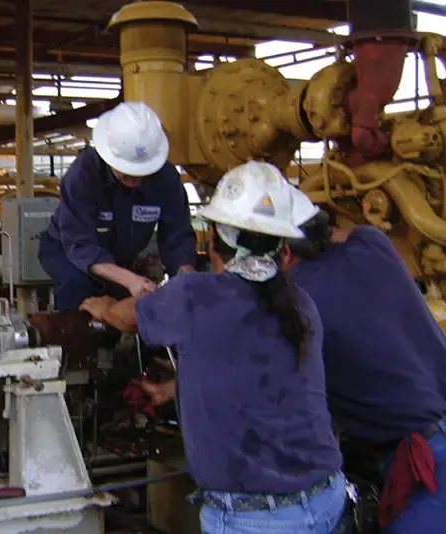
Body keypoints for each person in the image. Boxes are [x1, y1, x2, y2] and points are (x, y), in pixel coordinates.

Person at [80, 161, 350, 533]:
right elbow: (257, 375)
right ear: (283, 249)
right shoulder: (300, 304)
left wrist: (102, 308)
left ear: (210, 240)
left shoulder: (194, 295)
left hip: (252, 518)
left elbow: (130, 318)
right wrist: (169, 390)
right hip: (326, 501)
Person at [285, 190, 446, 533]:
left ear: (283, 253)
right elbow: (348, 234)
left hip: (430, 463)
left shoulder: (296, 302)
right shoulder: (373, 244)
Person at [38, 101, 197, 311]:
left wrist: (186, 278)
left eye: (141, 171)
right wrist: (130, 280)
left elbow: (177, 236)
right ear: (108, 154)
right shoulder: (83, 174)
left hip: (120, 254)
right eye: (126, 170)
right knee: (79, 288)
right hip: (68, 250)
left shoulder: (166, 179)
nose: (133, 178)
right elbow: (80, 244)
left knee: (126, 304)